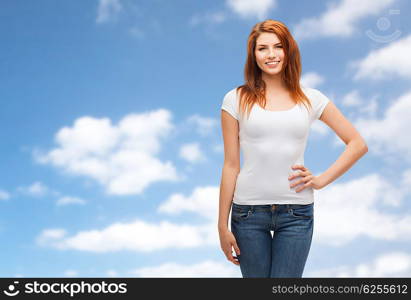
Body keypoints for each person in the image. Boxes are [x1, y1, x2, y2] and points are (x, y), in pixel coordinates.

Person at [218, 19, 368, 278]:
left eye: (278, 46)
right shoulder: (235, 99)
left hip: (296, 212)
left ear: (288, 50)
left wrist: (320, 180)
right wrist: (222, 224)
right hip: (247, 213)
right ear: (253, 55)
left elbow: (357, 144)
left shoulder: (311, 98)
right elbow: (231, 165)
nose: (271, 54)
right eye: (262, 48)